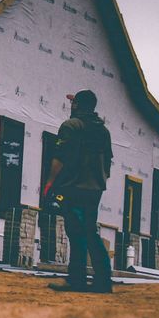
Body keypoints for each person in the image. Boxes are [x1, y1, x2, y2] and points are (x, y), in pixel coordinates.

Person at [43, 89, 115, 293]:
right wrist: (100, 180)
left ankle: (77, 280)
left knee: (76, 233)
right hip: (94, 189)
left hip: (74, 186)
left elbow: (59, 158)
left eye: (73, 103)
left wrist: (50, 183)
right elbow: (108, 161)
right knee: (90, 231)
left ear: (76, 105)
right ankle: (103, 280)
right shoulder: (103, 131)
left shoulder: (71, 126)